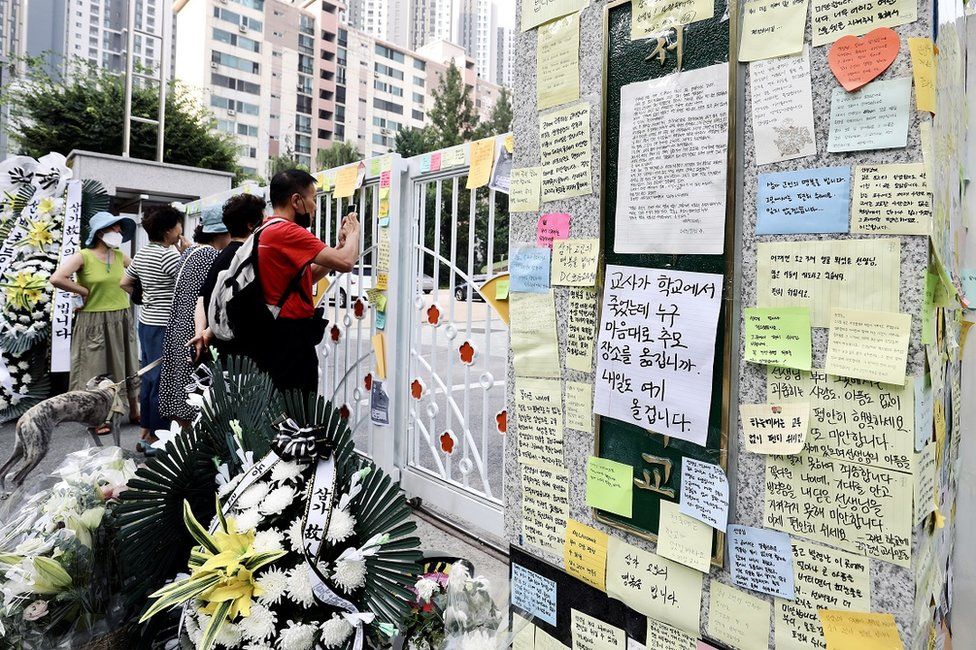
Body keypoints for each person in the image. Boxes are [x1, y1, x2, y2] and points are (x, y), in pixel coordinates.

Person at [193, 170, 359, 394]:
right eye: (314, 199)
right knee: (296, 415)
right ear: (296, 201)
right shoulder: (286, 230)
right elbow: (347, 262)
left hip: (275, 340)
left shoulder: (267, 229)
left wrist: (338, 249)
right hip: (288, 343)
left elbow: (307, 276)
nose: (315, 207)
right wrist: (354, 232)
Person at [50, 211, 140, 428]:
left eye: (119, 227)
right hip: (93, 321)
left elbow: (140, 272)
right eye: (114, 227)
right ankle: (98, 418)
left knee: (127, 365)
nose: (118, 231)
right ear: (100, 233)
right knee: (95, 369)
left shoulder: (120, 256)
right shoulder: (83, 256)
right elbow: (57, 278)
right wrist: (82, 290)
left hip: (121, 317)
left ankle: (135, 412)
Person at [121, 205, 189, 448]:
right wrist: (188, 253)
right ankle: (157, 435)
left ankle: (146, 428)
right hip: (165, 325)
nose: (182, 229)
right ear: (169, 230)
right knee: (164, 379)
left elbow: (125, 283)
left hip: (146, 322)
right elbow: (189, 284)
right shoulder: (169, 255)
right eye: (180, 224)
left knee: (150, 376)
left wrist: (144, 297)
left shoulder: (142, 253)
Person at [158, 207, 231, 424]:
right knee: (196, 397)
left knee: (180, 396)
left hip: (179, 331)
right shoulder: (211, 256)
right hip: (195, 332)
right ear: (221, 233)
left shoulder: (190, 252)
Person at [193, 193, 267, 362]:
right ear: (251, 225)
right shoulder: (245, 259)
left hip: (220, 349)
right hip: (239, 358)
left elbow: (202, 296)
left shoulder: (220, 256)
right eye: (263, 220)